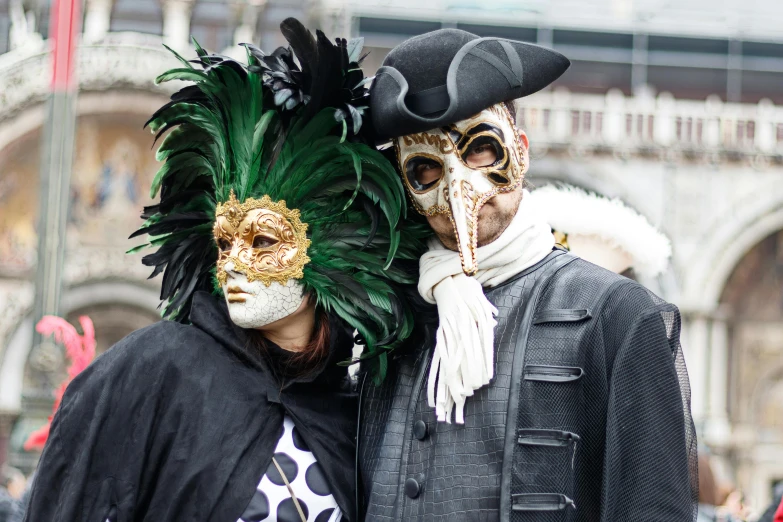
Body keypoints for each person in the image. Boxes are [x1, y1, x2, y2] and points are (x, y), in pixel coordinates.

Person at [23, 19, 426, 522]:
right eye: (223, 241)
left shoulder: (354, 416)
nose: (232, 262)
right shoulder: (156, 368)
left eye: (261, 240)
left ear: (330, 251)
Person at [358, 28, 698, 521]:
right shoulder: (387, 317)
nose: (461, 188)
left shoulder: (619, 316)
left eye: (479, 149)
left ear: (519, 149)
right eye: (427, 169)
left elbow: (652, 508)